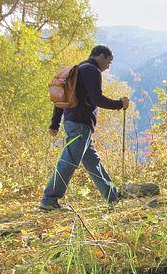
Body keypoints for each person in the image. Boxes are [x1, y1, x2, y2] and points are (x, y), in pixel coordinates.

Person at [39, 45, 130, 211]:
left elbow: (62, 98)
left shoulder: (79, 68)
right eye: (108, 62)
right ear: (101, 56)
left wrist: (55, 123)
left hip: (73, 121)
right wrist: (119, 104)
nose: (108, 67)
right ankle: (49, 200)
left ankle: (112, 194)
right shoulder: (92, 71)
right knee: (69, 161)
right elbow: (97, 99)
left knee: (91, 161)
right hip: (81, 123)